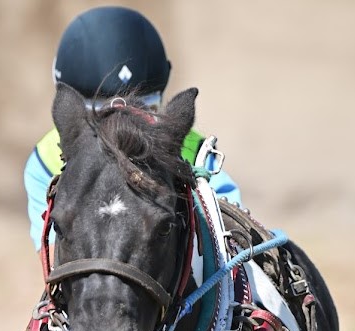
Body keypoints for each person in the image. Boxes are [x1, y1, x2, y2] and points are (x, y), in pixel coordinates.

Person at [24, 5, 242, 253]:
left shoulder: (195, 151)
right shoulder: (46, 158)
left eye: (141, 113)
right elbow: (54, 251)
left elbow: (233, 229)